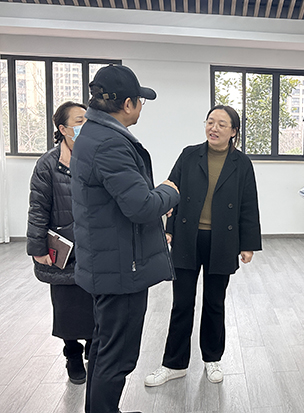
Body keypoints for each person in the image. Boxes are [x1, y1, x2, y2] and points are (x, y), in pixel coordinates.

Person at [70, 64, 180, 413]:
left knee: (105, 349)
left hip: (108, 260)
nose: (141, 107)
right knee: (116, 356)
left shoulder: (92, 134)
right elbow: (141, 206)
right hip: (121, 268)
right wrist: (169, 191)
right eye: (140, 101)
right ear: (128, 104)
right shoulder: (110, 143)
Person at [144, 105, 261, 387]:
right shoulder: (189, 154)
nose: (214, 128)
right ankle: (174, 364)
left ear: (234, 131)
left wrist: (248, 244)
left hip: (223, 240)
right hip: (187, 237)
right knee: (182, 303)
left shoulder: (242, 163)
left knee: (214, 302)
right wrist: (169, 229)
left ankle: (212, 359)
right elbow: (172, 190)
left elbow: (248, 205)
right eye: (210, 122)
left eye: (221, 124)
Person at [27, 101, 94, 385]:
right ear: (63, 129)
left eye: (87, 120)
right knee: (67, 307)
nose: (85, 125)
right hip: (63, 249)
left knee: (94, 303)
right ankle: (72, 354)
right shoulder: (48, 164)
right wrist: (38, 249)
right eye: (79, 121)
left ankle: (93, 346)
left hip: (93, 247)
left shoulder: (95, 158)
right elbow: (37, 209)